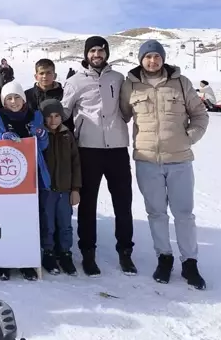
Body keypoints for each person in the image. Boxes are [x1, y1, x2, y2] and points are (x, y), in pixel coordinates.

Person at [120, 40, 208, 290]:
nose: (152, 61)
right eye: (147, 57)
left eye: (156, 57)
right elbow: (123, 115)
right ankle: (164, 257)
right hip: (147, 160)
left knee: (184, 214)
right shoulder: (130, 85)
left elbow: (200, 115)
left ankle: (190, 262)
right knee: (156, 213)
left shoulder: (181, 83)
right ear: (140, 60)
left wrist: (189, 137)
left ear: (163, 59)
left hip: (179, 159)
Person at [61, 36, 136, 277]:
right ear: (86, 54)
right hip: (88, 150)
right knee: (88, 204)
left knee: (123, 204)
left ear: (106, 53)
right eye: (92, 50)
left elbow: (127, 110)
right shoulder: (74, 82)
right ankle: (88, 253)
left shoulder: (118, 78)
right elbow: (63, 112)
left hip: (117, 150)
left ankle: (125, 252)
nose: (97, 54)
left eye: (101, 50)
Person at [0, 80, 51, 282]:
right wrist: (1, 136)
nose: (13, 102)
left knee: (29, 220)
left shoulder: (35, 115)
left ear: (23, 99)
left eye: (17, 97)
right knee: (6, 218)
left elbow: (44, 144)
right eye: (9, 98)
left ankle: (26, 261)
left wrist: (41, 134)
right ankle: (4, 261)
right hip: (7, 176)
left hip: (32, 173)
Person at [39, 99, 81, 276]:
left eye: (56, 116)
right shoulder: (40, 136)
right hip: (47, 191)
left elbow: (75, 162)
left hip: (64, 189)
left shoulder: (67, 135)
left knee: (65, 224)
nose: (53, 120)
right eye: (49, 117)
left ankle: (65, 253)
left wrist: (75, 188)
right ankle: (48, 253)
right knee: (47, 223)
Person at [25, 58, 73, 131]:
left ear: (55, 75)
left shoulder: (64, 94)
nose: (45, 76)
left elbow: (69, 118)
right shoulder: (27, 95)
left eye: (48, 73)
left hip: (59, 137)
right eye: (41, 73)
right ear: (36, 76)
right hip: (36, 137)